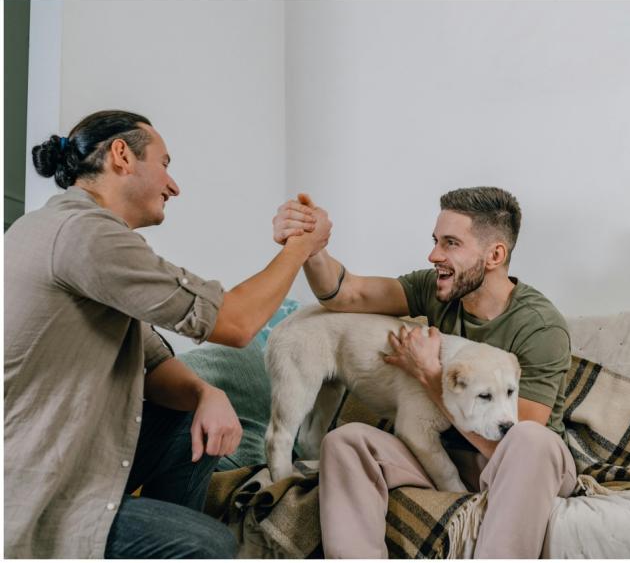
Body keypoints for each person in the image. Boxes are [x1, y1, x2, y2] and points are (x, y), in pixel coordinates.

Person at [4, 110, 331, 558]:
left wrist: (205, 394)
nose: (173, 186)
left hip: (71, 460)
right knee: (211, 545)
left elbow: (152, 361)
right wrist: (301, 246)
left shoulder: (67, 230)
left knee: (189, 420)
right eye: (164, 164)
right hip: (37, 495)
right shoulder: (85, 235)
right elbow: (235, 323)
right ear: (122, 155)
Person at [273, 186, 577, 558]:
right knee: (346, 441)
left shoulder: (539, 327)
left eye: (451, 243)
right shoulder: (437, 288)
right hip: (449, 455)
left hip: (529, 467)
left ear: (495, 255)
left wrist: (429, 374)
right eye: (436, 241)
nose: (434, 255)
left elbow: (508, 441)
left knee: (530, 440)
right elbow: (347, 294)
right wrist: (310, 244)